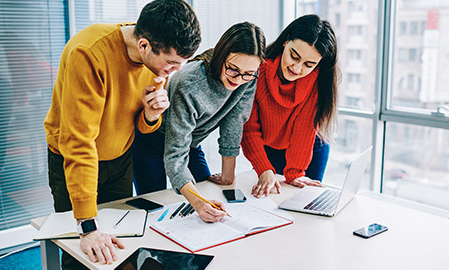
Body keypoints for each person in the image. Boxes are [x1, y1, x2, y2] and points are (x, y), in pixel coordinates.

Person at [43, 0, 201, 268]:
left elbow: (139, 125)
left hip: (119, 159)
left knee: (119, 247)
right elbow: (78, 142)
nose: (175, 71)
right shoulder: (89, 52)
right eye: (172, 63)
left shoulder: (155, 60)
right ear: (144, 46)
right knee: (82, 252)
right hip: (74, 161)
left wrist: (151, 115)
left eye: (181, 64)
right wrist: (88, 225)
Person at [132, 22, 265, 222]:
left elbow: (234, 120)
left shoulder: (248, 77)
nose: (238, 80)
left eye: (247, 73)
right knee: (155, 209)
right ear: (221, 56)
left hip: (190, 143)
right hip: (152, 142)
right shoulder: (190, 83)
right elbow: (175, 154)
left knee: (211, 195)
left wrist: (228, 176)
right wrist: (198, 202)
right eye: (233, 70)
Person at [241, 14, 339, 198]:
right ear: (286, 42)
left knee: (305, 203)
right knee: (273, 201)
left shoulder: (316, 82)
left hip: (308, 147)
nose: (297, 68)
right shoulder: (257, 72)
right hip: (269, 145)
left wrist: (295, 173)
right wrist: (264, 169)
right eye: (294, 56)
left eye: (309, 64)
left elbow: (304, 129)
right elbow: (249, 129)